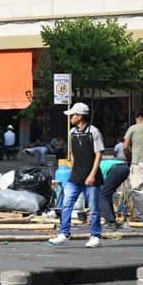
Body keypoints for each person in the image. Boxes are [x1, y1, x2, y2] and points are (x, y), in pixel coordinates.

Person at [49, 102, 105, 248]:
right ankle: (64, 233)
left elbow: (99, 154)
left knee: (93, 208)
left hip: (91, 176)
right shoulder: (72, 132)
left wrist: (92, 174)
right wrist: (73, 169)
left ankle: (95, 235)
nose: (71, 118)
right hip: (76, 176)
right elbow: (73, 153)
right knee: (67, 205)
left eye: (73, 115)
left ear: (79, 116)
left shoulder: (93, 132)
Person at [99, 158, 130, 230]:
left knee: (101, 196)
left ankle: (111, 221)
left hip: (116, 169)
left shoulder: (90, 172)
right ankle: (111, 219)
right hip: (125, 168)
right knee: (107, 195)